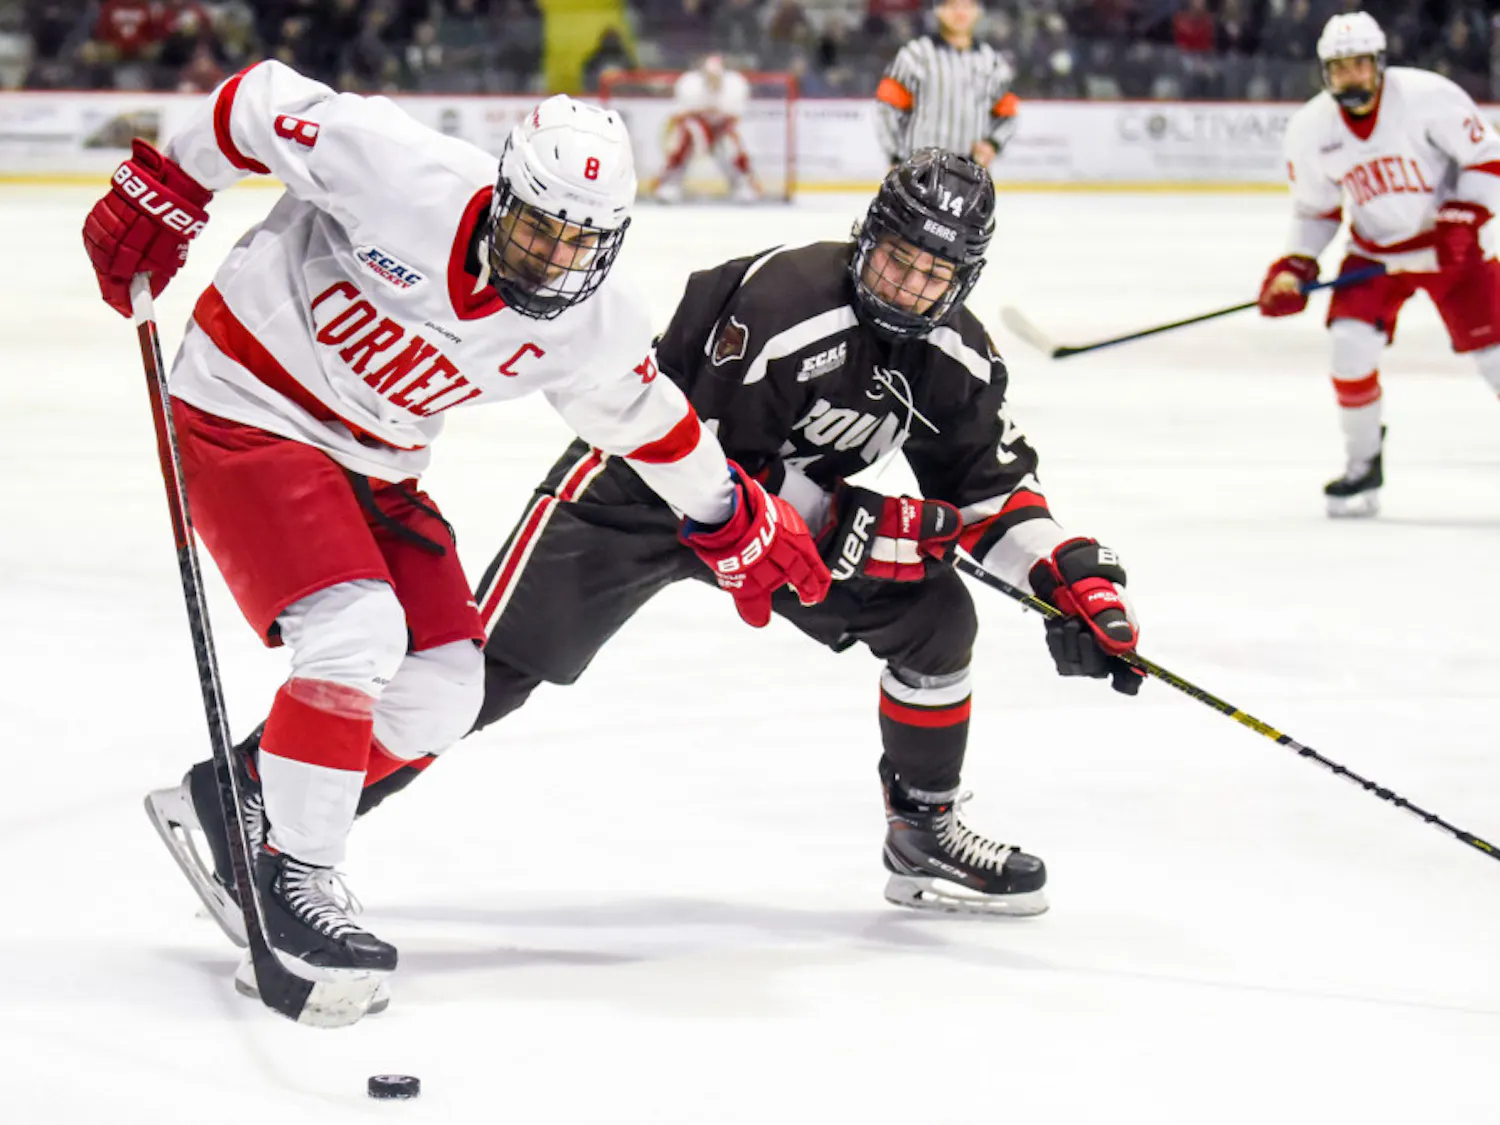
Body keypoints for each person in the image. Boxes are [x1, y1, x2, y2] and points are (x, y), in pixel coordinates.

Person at [85, 60, 829, 1017]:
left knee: (443, 690)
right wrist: (171, 184)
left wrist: (728, 513)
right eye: (537, 226)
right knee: (353, 633)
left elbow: (648, 421)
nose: (550, 258)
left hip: (378, 461)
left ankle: (234, 797)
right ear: (503, 193)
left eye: (579, 243)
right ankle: (292, 880)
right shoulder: (406, 175)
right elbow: (257, 102)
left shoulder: (593, 322)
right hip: (245, 405)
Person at [293, 150, 1140, 934]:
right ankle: (281, 811)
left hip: (783, 526)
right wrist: (853, 523)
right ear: (868, 235)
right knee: (483, 675)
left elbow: (988, 492)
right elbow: (702, 459)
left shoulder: (957, 356)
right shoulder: (783, 302)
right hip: (641, 493)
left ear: (964, 279)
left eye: (934, 274)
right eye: (898, 258)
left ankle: (923, 833)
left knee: (936, 620)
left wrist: (1065, 577)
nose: (909, 285)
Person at [1257, 12, 1500, 516]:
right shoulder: (1311, 129)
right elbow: (1316, 209)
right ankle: (1363, 463)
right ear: (1326, 71)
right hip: (1375, 253)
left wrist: (1461, 219)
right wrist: (1295, 266)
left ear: (1379, 64)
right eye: (1340, 68)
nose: (1351, 77)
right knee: (1348, 348)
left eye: (1360, 65)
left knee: (1496, 358)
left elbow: (1487, 158)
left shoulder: (1428, 98)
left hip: (1450, 252)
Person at [875, 0, 1018, 172]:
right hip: (921, 169)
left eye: (967, 6)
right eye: (952, 6)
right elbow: (887, 108)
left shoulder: (992, 61)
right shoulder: (916, 56)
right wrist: (895, 156)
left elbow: (1008, 113)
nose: (960, 13)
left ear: (978, 11)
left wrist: (993, 144)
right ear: (938, 10)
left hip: (971, 172)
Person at [652, 54, 761, 203]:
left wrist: (714, 127)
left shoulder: (735, 84)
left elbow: (735, 118)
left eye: (716, 77)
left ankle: (743, 184)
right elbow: (680, 116)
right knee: (685, 140)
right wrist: (702, 131)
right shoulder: (689, 84)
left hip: (722, 127)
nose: (712, 81)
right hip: (697, 124)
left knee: (732, 146)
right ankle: (670, 183)